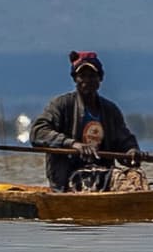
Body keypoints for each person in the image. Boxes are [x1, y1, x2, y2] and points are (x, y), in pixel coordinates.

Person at [28, 50, 145, 191]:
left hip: (104, 174)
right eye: (82, 76)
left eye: (92, 76)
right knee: (115, 179)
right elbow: (38, 132)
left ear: (100, 79)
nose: (86, 81)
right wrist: (72, 144)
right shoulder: (62, 105)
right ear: (75, 79)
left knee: (136, 176)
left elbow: (124, 141)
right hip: (70, 178)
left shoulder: (110, 110)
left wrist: (132, 152)